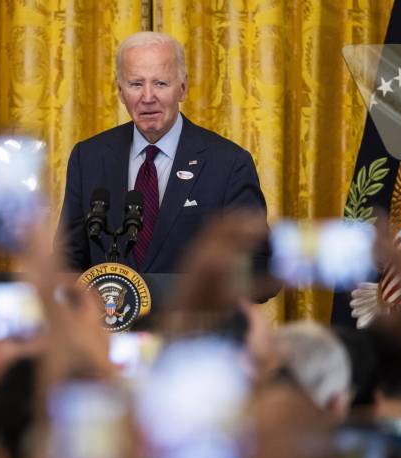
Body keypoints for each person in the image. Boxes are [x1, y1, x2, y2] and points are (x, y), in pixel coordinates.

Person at [56, 31, 271, 279]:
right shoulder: (89, 158)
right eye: (136, 84)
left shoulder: (229, 164)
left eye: (161, 83)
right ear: (120, 91)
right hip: (110, 315)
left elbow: (258, 268)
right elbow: (67, 261)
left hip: (193, 317)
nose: (148, 98)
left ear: (183, 88)